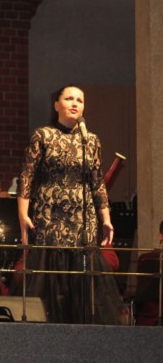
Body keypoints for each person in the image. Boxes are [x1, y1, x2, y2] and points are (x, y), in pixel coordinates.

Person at [17, 85, 122, 324]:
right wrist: (23, 215)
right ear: (56, 105)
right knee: (50, 283)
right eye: (69, 98)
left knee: (84, 286)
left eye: (80, 100)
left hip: (83, 220)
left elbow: (97, 182)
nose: (75, 103)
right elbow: (26, 177)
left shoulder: (91, 140)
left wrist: (106, 218)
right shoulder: (43, 135)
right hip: (50, 216)